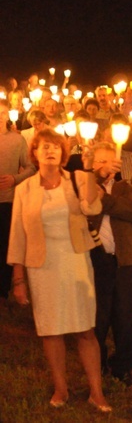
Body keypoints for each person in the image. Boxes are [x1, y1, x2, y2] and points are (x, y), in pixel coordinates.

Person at [8, 130, 111, 412]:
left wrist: (91, 173)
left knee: (85, 329)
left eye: (55, 146)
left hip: (76, 262)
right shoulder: (23, 189)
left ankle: (96, 393)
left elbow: (93, 207)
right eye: (44, 147)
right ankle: (61, 388)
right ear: (35, 153)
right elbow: (18, 235)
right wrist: (18, 279)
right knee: (51, 330)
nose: (50, 151)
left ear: (63, 153)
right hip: (42, 266)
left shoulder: (77, 179)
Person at [88, 142, 132, 386]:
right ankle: (96, 363)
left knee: (125, 317)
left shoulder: (123, 187)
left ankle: (123, 366)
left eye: (107, 160)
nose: (102, 165)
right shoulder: (86, 186)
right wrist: (96, 189)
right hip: (96, 261)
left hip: (124, 262)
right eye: (98, 160)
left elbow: (130, 211)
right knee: (97, 316)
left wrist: (106, 199)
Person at [0, 99, 35, 303]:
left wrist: (15, 179)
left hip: (7, 200)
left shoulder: (17, 140)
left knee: (4, 244)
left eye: (3, 112)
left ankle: (3, 288)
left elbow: (30, 167)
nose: (0, 116)